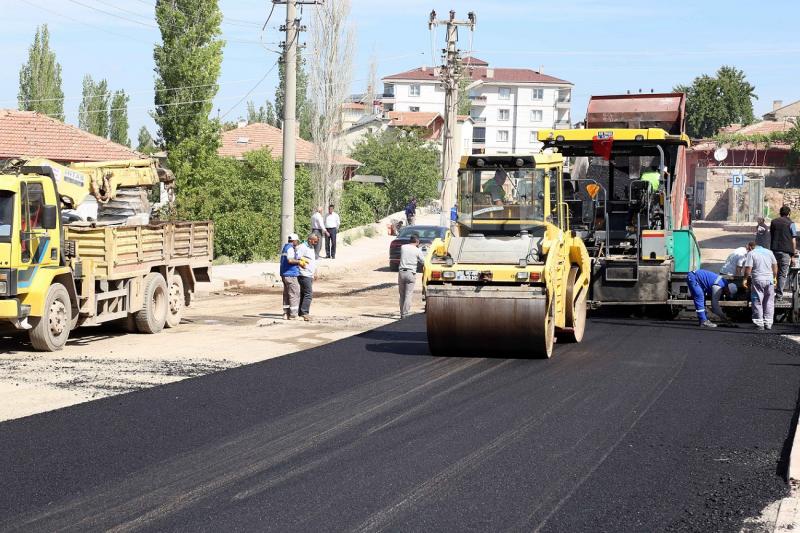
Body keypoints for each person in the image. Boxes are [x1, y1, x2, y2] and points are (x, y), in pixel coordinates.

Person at [742, 240, 778, 330]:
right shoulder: (769, 252)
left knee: (757, 301)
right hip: (769, 280)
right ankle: (768, 324)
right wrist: (774, 277)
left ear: (750, 247)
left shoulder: (752, 253)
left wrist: (745, 279)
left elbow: (748, 268)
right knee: (769, 302)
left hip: (758, 280)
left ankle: (759, 324)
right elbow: (775, 266)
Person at [769, 206, 798, 299]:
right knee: (782, 273)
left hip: (774, 251)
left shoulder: (773, 222)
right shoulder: (791, 223)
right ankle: (779, 294)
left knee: (773, 272)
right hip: (786, 252)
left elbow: (772, 235)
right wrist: (793, 255)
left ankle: (769, 292)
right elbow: (793, 240)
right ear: (789, 213)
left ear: (780, 213)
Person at [398, 234, 426, 318]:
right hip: (411, 273)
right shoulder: (418, 250)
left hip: (401, 273)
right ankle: (405, 314)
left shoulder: (403, 247)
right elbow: (423, 262)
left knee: (402, 295)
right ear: (417, 241)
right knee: (408, 295)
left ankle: (402, 313)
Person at [280, 234, 304, 320]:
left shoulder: (285, 247)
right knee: (294, 294)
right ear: (294, 241)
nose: (297, 243)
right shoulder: (290, 249)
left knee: (286, 294)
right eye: (297, 241)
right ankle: (293, 315)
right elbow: (290, 260)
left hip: (284, 274)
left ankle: (286, 313)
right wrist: (299, 262)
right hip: (291, 274)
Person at [296, 233, 319, 321]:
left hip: (309, 274)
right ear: (310, 240)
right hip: (303, 274)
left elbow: (313, 261)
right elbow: (297, 258)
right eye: (315, 241)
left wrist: (315, 272)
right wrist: (302, 266)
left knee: (304, 294)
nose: (316, 243)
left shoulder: (311, 247)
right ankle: (305, 313)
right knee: (308, 294)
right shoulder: (302, 247)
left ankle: (301, 312)